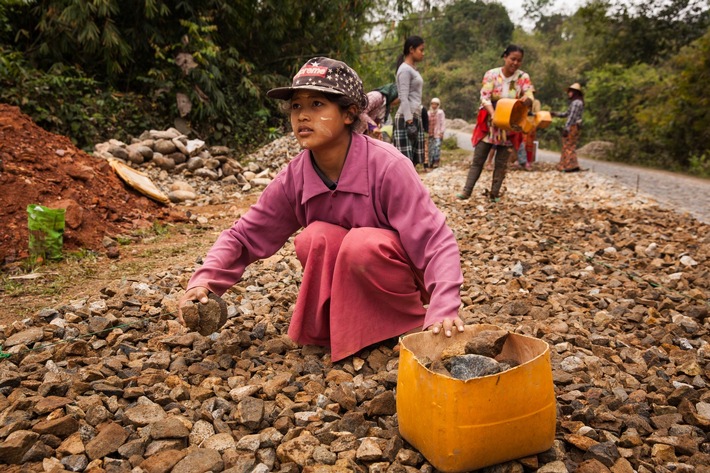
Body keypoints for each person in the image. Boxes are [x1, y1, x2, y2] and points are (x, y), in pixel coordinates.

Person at [177, 57, 465, 362]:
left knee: (360, 245)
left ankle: (406, 323)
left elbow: (436, 240)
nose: (303, 116)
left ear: (349, 113)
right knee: (313, 237)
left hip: (399, 277)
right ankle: (340, 324)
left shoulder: (388, 166)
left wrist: (443, 307)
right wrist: (204, 281)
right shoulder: (296, 175)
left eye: (317, 104)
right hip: (351, 274)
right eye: (297, 107)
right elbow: (245, 235)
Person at [457, 44, 534, 202]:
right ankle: (467, 190)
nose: (515, 63)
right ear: (505, 57)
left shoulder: (523, 77)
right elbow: (485, 96)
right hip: (490, 121)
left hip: (510, 123)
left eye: (519, 60)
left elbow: (529, 94)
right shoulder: (492, 74)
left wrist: (528, 99)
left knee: (501, 161)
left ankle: (494, 193)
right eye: (512, 59)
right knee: (479, 158)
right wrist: (493, 115)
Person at [393, 35, 426, 168]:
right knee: (405, 163)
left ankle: (412, 189)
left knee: (413, 160)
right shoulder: (405, 70)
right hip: (406, 119)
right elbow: (403, 97)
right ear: (411, 50)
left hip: (414, 116)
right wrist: (409, 121)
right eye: (421, 50)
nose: (423, 53)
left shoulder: (412, 69)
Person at [552, 83, 584, 172]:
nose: (569, 93)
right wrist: (555, 114)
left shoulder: (576, 103)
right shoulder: (578, 102)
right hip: (576, 126)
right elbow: (566, 113)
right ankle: (572, 165)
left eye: (570, 92)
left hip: (572, 126)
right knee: (571, 145)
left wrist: (566, 128)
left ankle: (568, 166)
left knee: (567, 145)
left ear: (575, 92)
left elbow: (571, 117)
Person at [428, 97, 446, 168]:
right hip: (430, 133)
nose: (434, 106)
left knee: (437, 147)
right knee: (430, 148)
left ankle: (436, 161)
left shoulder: (440, 112)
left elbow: (443, 122)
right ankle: (431, 162)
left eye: (436, 104)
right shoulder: (428, 113)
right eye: (433, 104)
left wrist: (442, 132)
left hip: (437, 133)